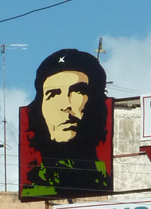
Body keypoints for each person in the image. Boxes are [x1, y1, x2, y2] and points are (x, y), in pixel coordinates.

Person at [20, 49, 112, 198]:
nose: (65, 105)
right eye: (53, 94)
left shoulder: (109, 179)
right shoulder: (32, 187)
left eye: (78, 91)